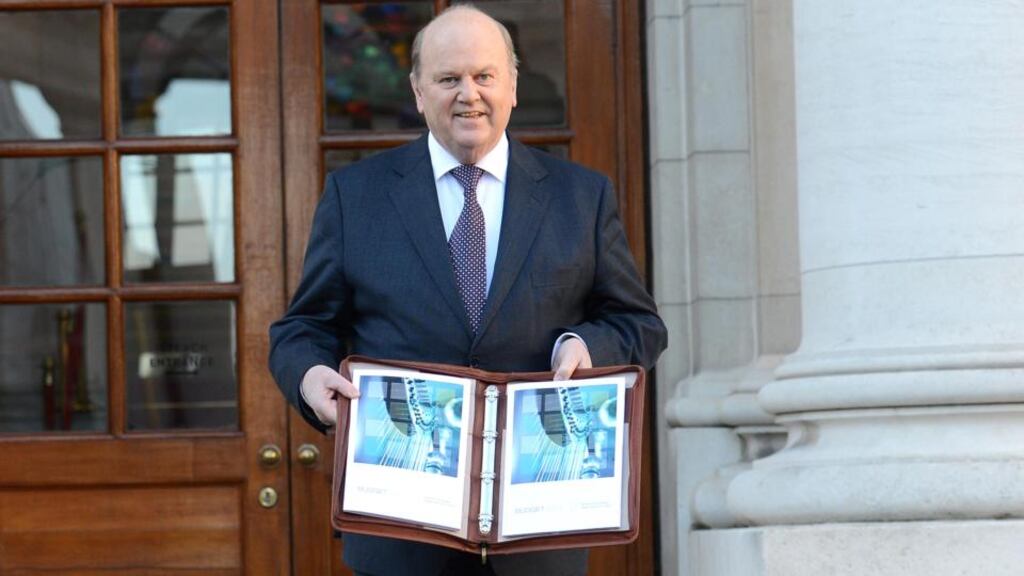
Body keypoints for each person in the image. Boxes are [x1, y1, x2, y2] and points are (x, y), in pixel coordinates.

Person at [269, 4, 667, 575]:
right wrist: (310, 379)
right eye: (448, 78)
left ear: (512, 87)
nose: (468, 95)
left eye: (484, 76)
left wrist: (585, 347)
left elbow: (639, 323)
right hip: (401, 532)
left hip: (538, 532)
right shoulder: (356, 196)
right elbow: (301, 330)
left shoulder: (580, 197)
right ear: (417, 92)